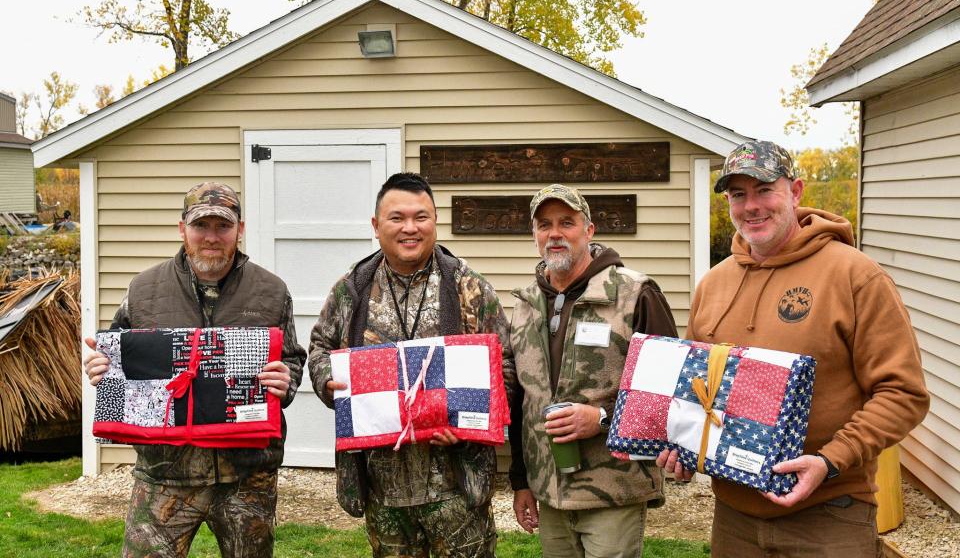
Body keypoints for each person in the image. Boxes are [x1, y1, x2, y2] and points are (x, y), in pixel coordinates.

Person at [657, 140, 930, 558]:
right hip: (734, 517)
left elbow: (903, 393)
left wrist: (830, 460)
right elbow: (697, 390)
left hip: (827, 514)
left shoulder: (855, 276)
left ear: (796, 191)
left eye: (765, 190)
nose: (752, 206)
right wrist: (683, 446)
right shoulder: (713, 284)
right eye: (738, 194)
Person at [83, 181, 307, 558]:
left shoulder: (271, 291)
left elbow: (292, 358)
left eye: (223, 226)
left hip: (247, 475)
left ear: (240, 228)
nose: (212, 237)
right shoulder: (144, 290)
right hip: (165, 471)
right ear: (182, 228)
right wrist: (101, 369)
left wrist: (287, 380)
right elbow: (117, 353)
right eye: (201, 225)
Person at [308, 172, 512, 558]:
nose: (409, 228)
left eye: (421, 217)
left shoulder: (469, 287)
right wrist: (326, 379)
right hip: (382, 486)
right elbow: (320, 347)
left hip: (455, 483)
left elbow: (504, 366)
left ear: (435, 221)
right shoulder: (352, 289)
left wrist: (469, 422)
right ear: (375, 225)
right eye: (396, 217)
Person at [508, 183, 678, 558]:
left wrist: (602, 418)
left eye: (567, 222)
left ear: (589, 231)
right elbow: (522, 400)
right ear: (535, 235)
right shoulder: (525, 306)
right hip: (549, 491)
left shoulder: (635, 294)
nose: (555, 233)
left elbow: (669, 392)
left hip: (612, 489)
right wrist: (522, 481)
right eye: (544, 224)